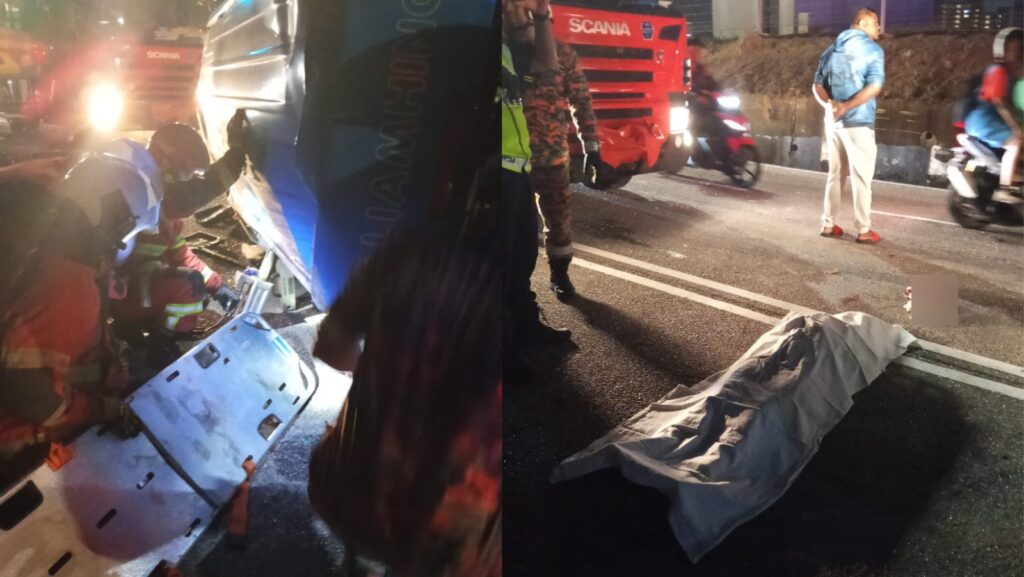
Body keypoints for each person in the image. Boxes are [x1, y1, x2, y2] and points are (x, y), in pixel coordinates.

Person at [0, 154, 156, 459]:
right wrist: (100, 410)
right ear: (109, 218)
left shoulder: (45, 246)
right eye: (126, 229)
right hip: (18, 437)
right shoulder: (70, 285)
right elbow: (34, 400)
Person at [107, 113, 246, 346]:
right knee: (190, 286)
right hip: (122, 292)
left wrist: (217, 286)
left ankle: (136, 325)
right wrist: (237, 155)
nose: (187, 181)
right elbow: (198, 192)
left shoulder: (150, 199)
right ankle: (162, 344)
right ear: (166, 164)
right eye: (185, 173)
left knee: (196, 289)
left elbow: (182, 254)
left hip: (131, 287)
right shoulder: (147, 200)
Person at [507, 5, 598, 301]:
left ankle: (559, 275)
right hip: (511, 162)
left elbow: (581, 101)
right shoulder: (502, 53)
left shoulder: (561, 54)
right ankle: (516, 292)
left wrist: (591, 147)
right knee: (515, 230)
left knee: (558, 222)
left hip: (552, 157)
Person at [500, 0, 572, 357]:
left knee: (522, 255)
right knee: (498, 263)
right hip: (491, 171)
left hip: (518, 168)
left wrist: (542, 14)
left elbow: (546, 65)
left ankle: (526, 326)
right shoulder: (471, 41)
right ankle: (503, 350)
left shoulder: (508, 50)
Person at [813, 7, 885, 245]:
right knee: (861, 177)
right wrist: (846, 106)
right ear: (862, 24)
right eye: (875, 23)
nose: (879, 28)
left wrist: (830, 105)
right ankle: (864, 230)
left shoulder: (831, 49)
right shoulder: (873, 50)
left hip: (833, 123)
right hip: (858, 122)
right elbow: (874, 87)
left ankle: (828, 223)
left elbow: (817, 85)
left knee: (835, 174)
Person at [965, 27, 1023, 205]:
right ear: (1002, 51)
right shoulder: (998, 71)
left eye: (1019, 49)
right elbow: (1000, 102)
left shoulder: (1011, 74)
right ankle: (1004, 189)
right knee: (1015, 143)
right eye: (1012, 49)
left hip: (989, 119)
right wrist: (1016, 128)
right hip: (984, 120)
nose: (1016, 53)